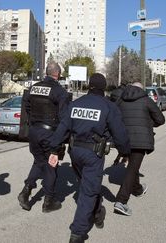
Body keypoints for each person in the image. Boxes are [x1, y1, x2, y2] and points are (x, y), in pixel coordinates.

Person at [48, 73, 131, 243]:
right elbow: (120, 133)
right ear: (103, 87)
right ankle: (77, 233)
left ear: (89, 85)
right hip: (93, 154)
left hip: (75, 152)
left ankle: (98, 213)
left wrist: (54, 150)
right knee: (88, 191)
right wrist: (125, 152)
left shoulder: (75, 105)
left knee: (88, 186)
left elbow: (62, 128)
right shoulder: (108, 106)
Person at [17, 62, 70, 213]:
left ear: (47, 73)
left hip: (33, 132)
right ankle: (49, 202)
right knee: (51, 165)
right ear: (58, 74)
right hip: (49, 134)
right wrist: (62, 139)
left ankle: (25, 192)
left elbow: (27, 108)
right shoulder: (59, 91)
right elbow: (64, 118)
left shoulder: (33, 88)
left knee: (39, 162)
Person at [112, 82, 165, 216]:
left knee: (133, 166)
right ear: (141, 89)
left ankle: (137, 189)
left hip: (123, 139)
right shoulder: (146, 100)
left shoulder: (120, 100)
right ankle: (121, 201)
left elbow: (112, 117)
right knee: (132, 169)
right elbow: (161, 119)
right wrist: (147, 123)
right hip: (140, 140)